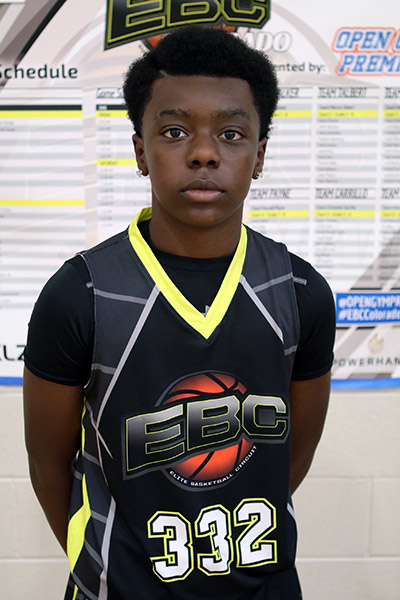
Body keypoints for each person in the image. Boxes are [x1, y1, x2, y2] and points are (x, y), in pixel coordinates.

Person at [23, 25, 336, 600]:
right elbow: (48, 464)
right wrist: (105, 564)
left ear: (259, 155)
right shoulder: (81, 293)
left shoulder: (299, 291)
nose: (203, 152)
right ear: (141, 151)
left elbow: (296, 453)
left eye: (231, 133)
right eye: (174, 131)